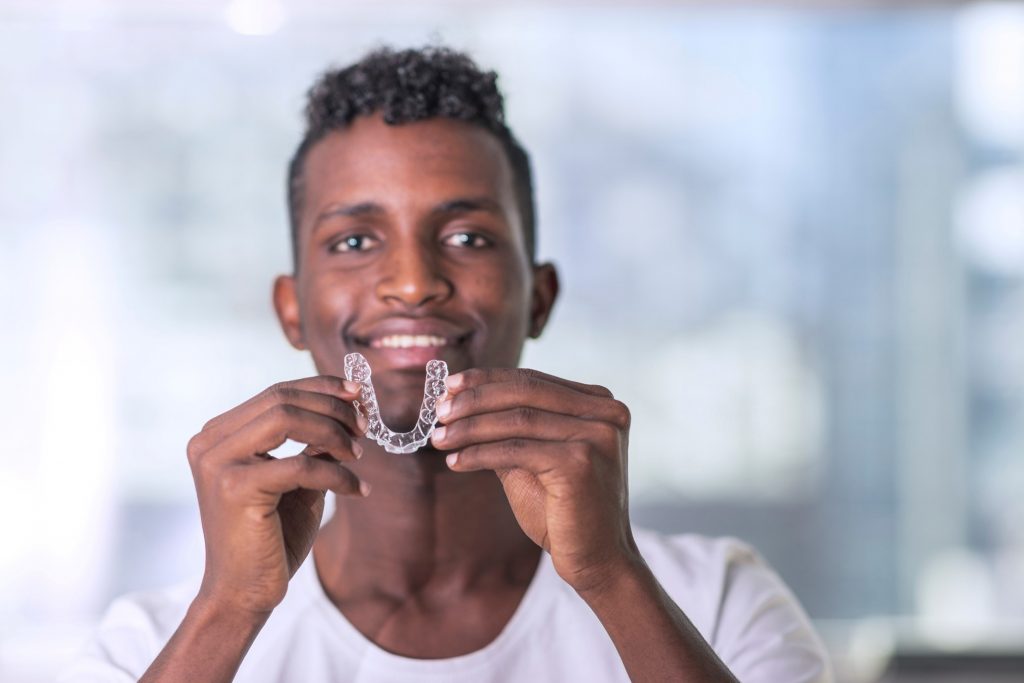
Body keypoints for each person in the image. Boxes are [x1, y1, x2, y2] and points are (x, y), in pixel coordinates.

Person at [61, 46, 832, 682]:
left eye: (467, 237)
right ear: (291, 308)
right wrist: (229, 610)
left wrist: (612, 577)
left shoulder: (718, 601)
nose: (412, 282)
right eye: (355, 241)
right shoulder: (157, 640)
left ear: (540, 296)